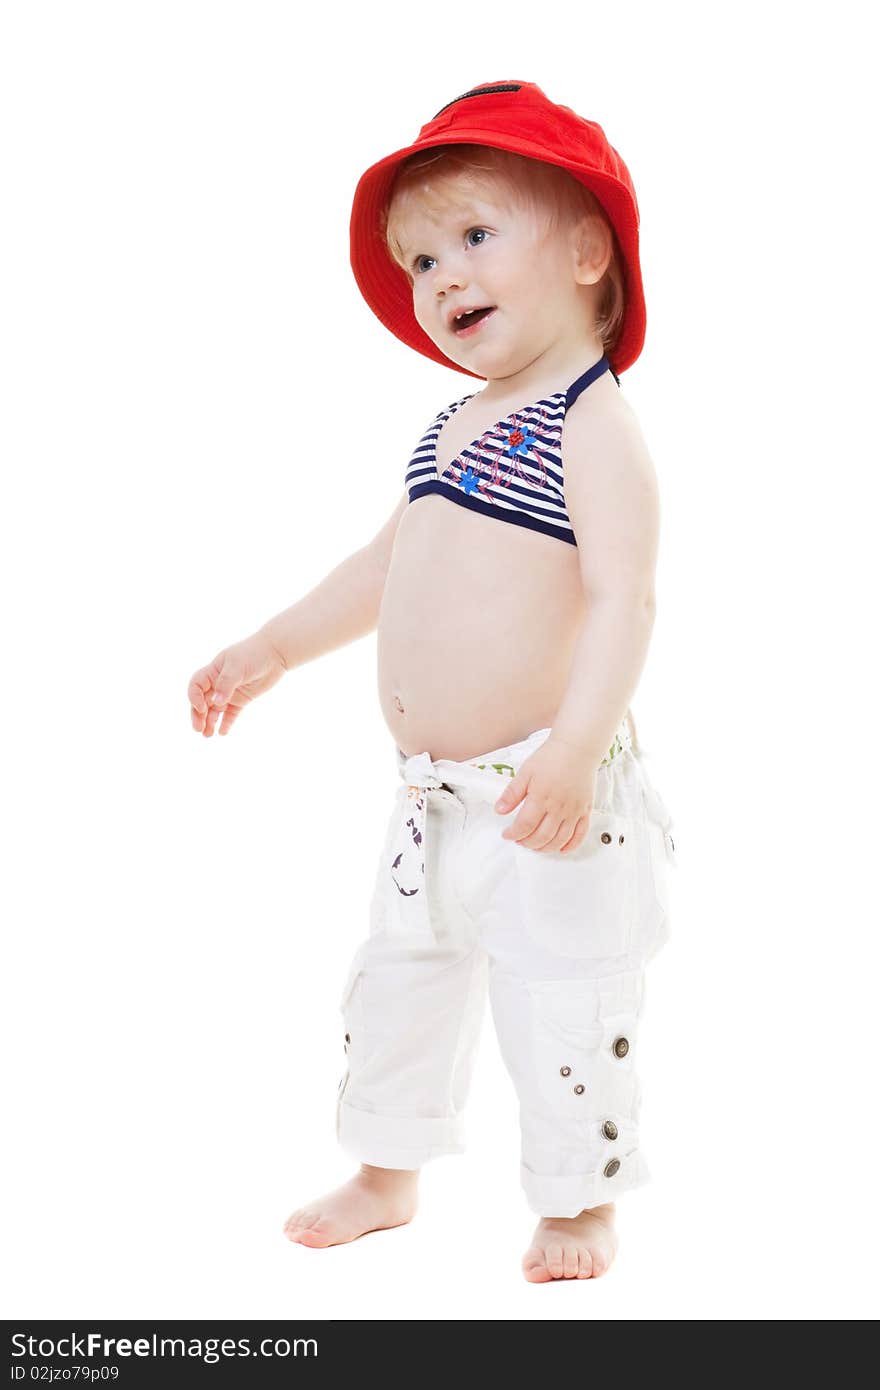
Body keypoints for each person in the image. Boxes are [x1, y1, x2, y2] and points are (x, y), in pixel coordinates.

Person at [187, 79, 677, 1283]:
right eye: (417, 258)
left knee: (562, 1004)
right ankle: (385, 1169)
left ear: (583, 249)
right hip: (432, 797)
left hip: (544, 797)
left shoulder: (587, 419)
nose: (440, 276)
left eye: (471, 236)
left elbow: (626, 597)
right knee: (401, 980)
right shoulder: (456, 422)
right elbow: (385, 564)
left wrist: (574, 746)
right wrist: (271, 647)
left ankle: (580, 1199)